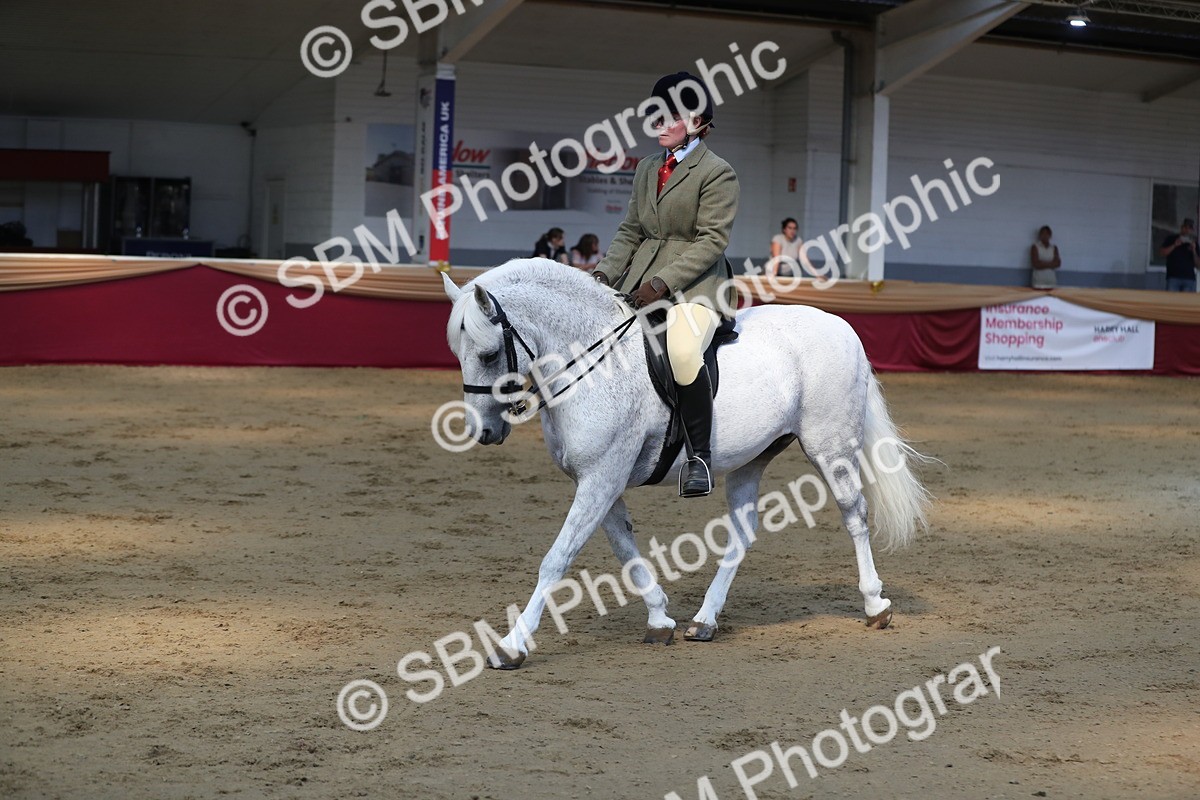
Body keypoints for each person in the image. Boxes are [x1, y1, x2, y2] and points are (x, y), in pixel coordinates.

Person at [592, 71, 738, 498]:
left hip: (697, 285)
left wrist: (661, 282)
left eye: (669, 115)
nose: (658, 121)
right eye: (655, 113)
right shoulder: (647, 168)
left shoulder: (717, 172)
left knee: (681, 348)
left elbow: (712, 240)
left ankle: (700, 459)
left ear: (695, 122)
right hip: (640, 278)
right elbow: (631, 231)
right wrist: (603, 275)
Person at [1160, 218, 1199, 292]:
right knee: (1171, 301)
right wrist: (1174, 245)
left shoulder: (1194, 243)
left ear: (1192, 230)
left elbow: (1198, 265)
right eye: (1185, 227)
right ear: (1182, 228)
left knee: (1186, 302)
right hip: (1173, 277)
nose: (1187, 230)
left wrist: (1194, 250)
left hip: (1189, 278)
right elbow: (1162, 253)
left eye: (1190, 228)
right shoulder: (1171, 239)